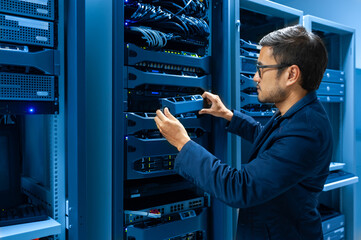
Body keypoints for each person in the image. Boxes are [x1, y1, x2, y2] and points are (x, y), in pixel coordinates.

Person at [154, 25, 332, 240]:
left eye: (261, 69)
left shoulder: (307, 129)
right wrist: (229, 116)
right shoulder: (299, 113)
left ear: (291, 74)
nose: (255, 77)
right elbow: (272, 143)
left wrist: (183, 142)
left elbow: (239, 188)